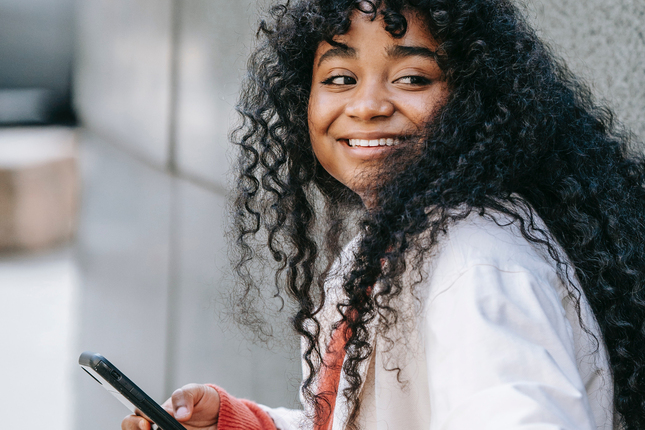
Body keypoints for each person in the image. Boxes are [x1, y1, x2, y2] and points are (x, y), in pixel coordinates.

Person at [123, 0, 645, 429]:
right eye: (341, 77)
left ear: (477, 101)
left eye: (413, 78)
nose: (368, 104)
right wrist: (242, 424)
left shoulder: (475, 264)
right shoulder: (388, 245)